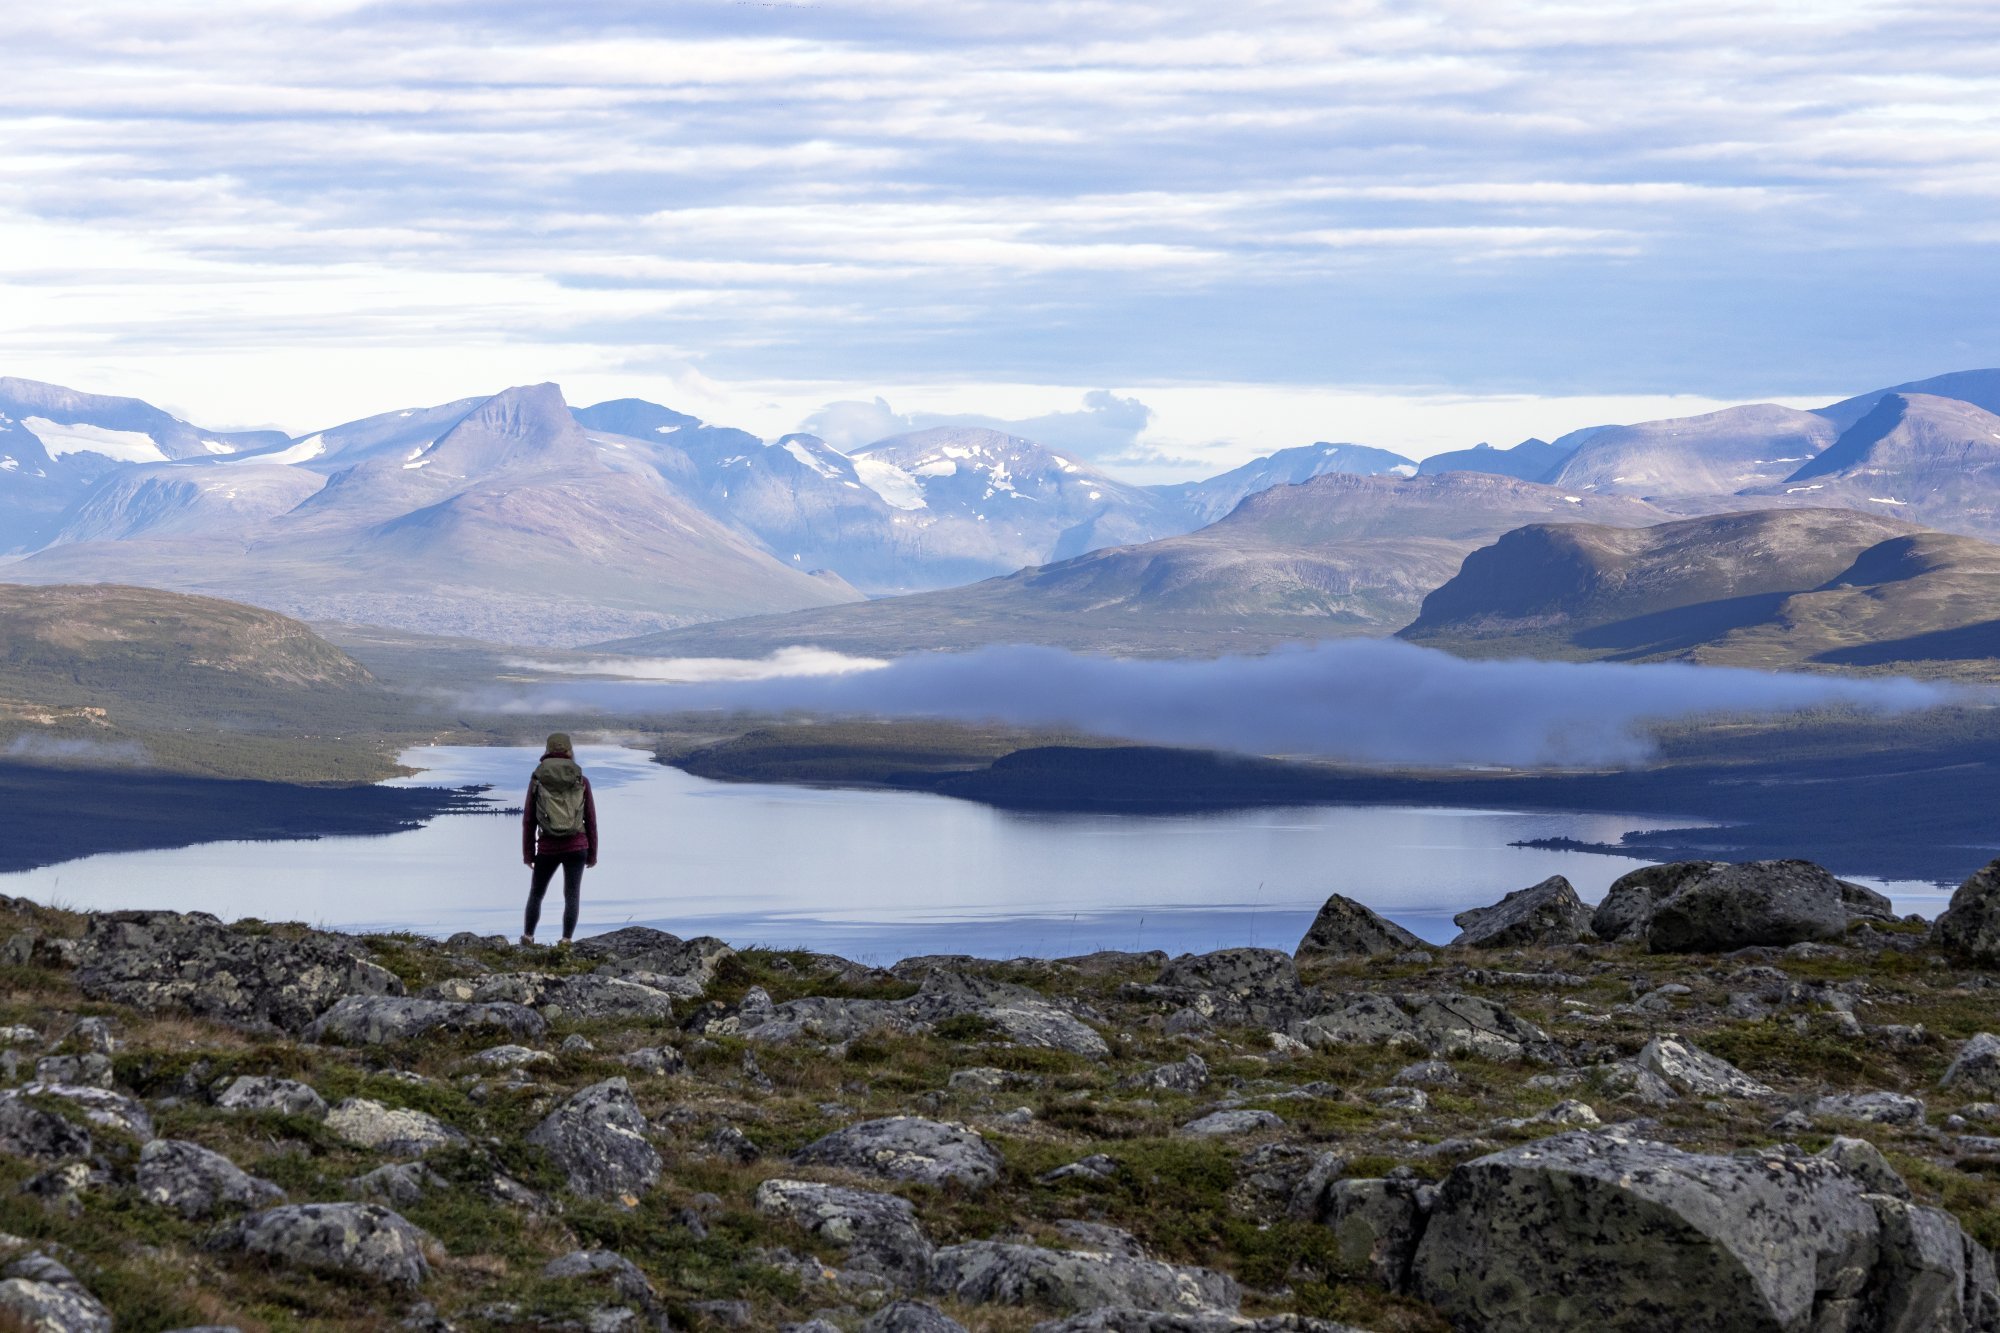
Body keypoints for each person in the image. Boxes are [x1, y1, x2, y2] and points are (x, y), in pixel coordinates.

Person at [521, 732, 597, 948]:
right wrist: (592, 854)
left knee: (537, 893)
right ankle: (566, 941)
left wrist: (528, 854)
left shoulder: (537, 779)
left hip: (547, 846)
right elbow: (590, 819)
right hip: (577, 846)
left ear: (547, 750)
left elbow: (529, 820)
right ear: (569, 751)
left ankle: (528, 937)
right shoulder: (581, 780)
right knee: (572, 895)